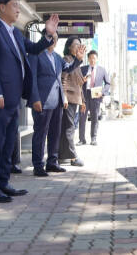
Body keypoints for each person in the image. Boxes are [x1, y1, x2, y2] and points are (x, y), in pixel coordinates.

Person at [0, 0, 59, 203]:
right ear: (1, 7)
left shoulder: (14, 33)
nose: (18, 10)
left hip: (14, 99)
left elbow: (33, 49)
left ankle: (3, 182)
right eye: (15, 5)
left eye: (19, 6)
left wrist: (48, 35)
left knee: (8, 144)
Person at [28, 31, 85, 177]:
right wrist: (35, 98)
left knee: (55, 133)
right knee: (40, 134)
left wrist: (78, 59)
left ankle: (52, 162)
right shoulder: (36, 55)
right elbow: (31, 78)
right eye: (51, 38)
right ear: (44, 38)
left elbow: (68, 68)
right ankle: (38, 165)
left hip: (57, 102)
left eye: (56, 39)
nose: (53, 41)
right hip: (42, 101)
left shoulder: (57, 57)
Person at [59, 36, 86, 167]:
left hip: (75, 100)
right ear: (69, 46)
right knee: (69, 128)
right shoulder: (66, 60)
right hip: (68, 99)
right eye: (76, 45)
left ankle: (62, 155)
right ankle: (73, 157)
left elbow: (79, 84)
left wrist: (83, 101)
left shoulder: (77, 61)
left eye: (80, 45)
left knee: (68, 128)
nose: (78, 47)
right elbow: (62, 79)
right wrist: (63, 96)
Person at [78, 50, 110, 146]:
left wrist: (103, 92)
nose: (92, 60)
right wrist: (82, 81)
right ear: (88, 59)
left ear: (97, 59)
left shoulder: (102, 70)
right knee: (82, 118)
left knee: (95, 118)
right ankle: (82, 139)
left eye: (94, 58)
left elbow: (108, 83)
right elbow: (77, 82)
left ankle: (93, 138)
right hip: (84, 96)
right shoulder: (82, 69)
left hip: (96, 96)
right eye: (90, 58)